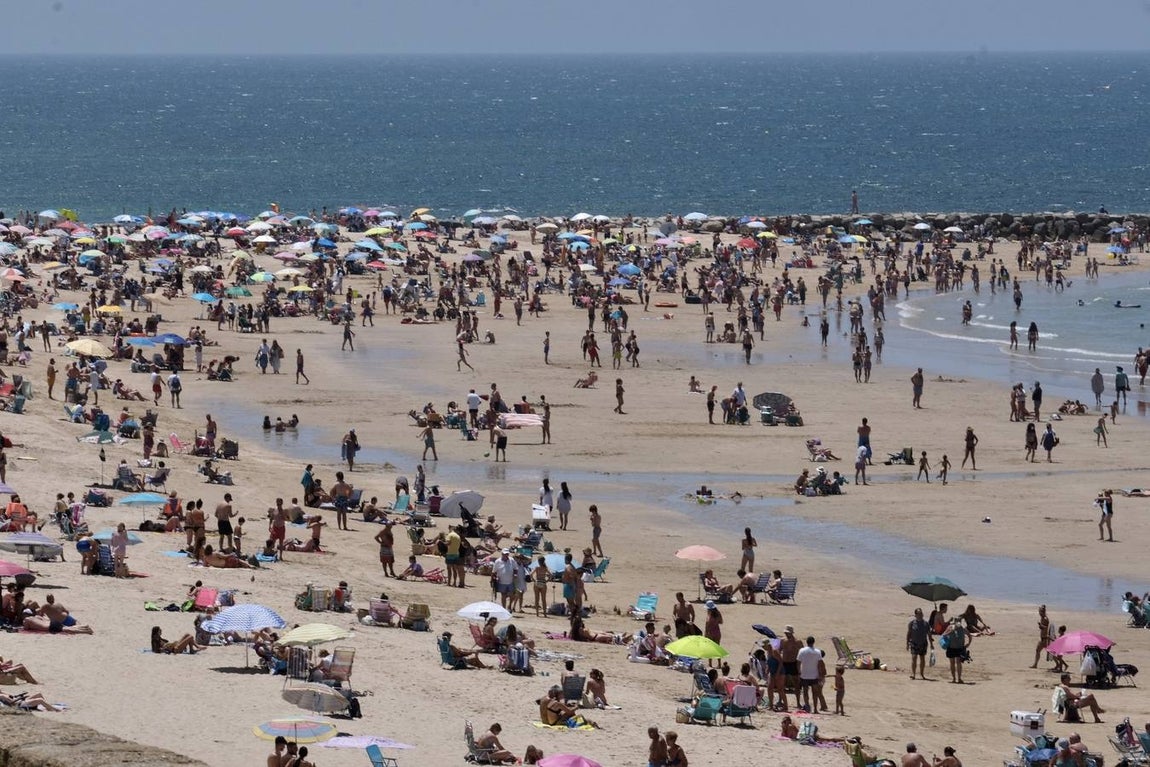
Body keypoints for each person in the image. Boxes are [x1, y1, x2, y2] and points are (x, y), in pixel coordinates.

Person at [906, 607, 933, 680]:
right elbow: (909, 634)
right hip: (914, 643)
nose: (920, 615)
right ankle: (913, 674)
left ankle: (922, 674)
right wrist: (907, 643)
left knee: (922, 658)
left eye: (921, 613)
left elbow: (929, 634)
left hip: (923, 643)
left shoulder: (926, 624)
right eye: (918, 613)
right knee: (914, 657)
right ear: (915, 615)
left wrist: (931, 644)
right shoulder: (912, 623)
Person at [941, 617, 969, 684]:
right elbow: (943, 635)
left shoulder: (963, 628)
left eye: (959, 621)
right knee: (952, 663)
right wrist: (951, 631)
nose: (958, 622)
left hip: (959, 648)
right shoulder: (950, 627)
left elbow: (969, 636)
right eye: (957, 621)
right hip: (951, 648)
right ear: (954, 621)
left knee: (958, 663)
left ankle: (959, 678)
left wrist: (968, 644)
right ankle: (954, 678)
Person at [797, 636, 821, 711]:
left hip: (804, 674)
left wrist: (799, 672)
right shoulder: (818, 652)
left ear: (806, 642)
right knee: (815, 693)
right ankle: (815, 709)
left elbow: (798, 663)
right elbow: (819, 664)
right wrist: (820, 674)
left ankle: (807, 706)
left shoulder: (802, 651)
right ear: (813, 642)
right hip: (814, 675)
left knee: (805, 692)